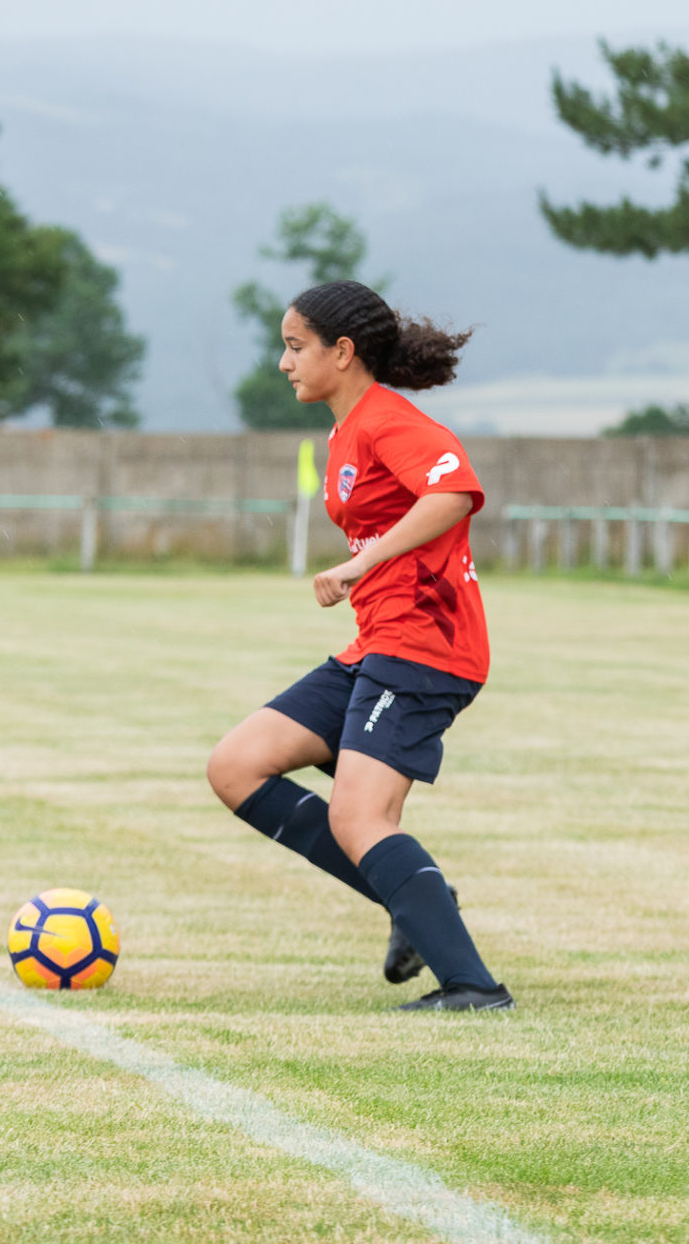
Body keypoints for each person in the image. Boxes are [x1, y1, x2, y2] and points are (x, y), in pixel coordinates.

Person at [204, 280, 513, 1011]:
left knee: (358, 817)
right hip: (379, 643)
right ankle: (417, 897)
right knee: (237, 766)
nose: (285, 362)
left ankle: (472, 986)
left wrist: (358, 562)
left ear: (341, 352)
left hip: (426, 647)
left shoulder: (387, 421)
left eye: (294, 346)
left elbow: (454, 491)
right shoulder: (346, 431)